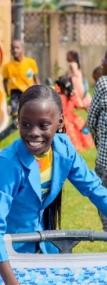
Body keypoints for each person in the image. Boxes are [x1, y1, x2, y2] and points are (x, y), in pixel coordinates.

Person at [0, 85, 107, 285]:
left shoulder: (64, 151)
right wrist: (11, 282)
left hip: (39, 240)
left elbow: (94, 189)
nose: (33, 133)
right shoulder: (8, 163)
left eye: (43, 125)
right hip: (1, 253)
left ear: (60, 122)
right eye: (25, 124)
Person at [0, 40, 40, 158]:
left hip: (30, 95)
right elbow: (5, 82)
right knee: (17, 123)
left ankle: (33, 148)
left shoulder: (31, 63)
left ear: (23, 49)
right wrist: (9, 100)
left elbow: (36, 79)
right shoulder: (8, 67)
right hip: (16, 96)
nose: (15, 50)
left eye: (17, 48)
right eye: (12, 48)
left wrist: (42, 93)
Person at [87, 49, 107, 233]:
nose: (102, 61)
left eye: (105, 58)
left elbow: (91, 121)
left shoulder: (103, 83)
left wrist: (100, 145)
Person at [55, 76, 94, 152]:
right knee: (79, 125)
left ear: (61, 86)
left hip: (64, 119)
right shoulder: (72, 96)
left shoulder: (59, 97)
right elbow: (79, 106)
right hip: (72, 118)